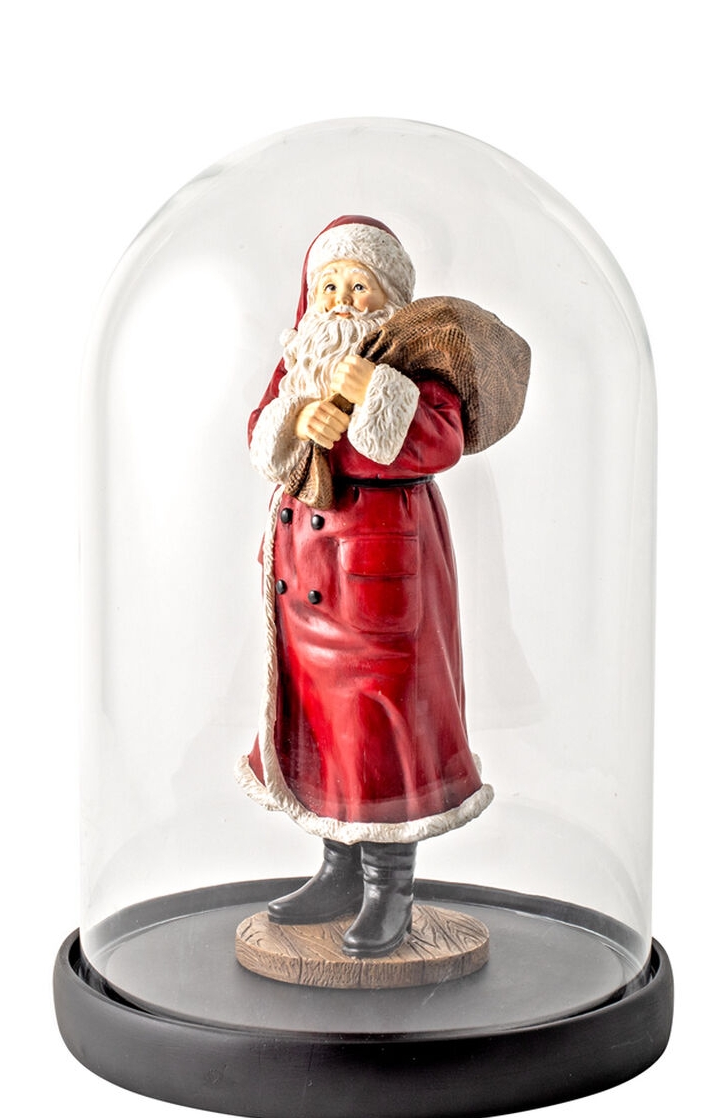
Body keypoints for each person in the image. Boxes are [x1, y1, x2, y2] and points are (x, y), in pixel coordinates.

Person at [235, 216, 491, 957]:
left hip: (380, 581)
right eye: (329, 286)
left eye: (358, 286)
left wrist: (377, 393)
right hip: (305, 585)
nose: (342, 300)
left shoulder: (412, 358)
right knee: (325, 729)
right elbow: (261, 431)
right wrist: (297, 420)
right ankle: (339, 871)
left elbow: (442, 440)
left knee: (384, 731)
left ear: (389, 298)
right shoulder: (301, 358)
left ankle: (390, 888)